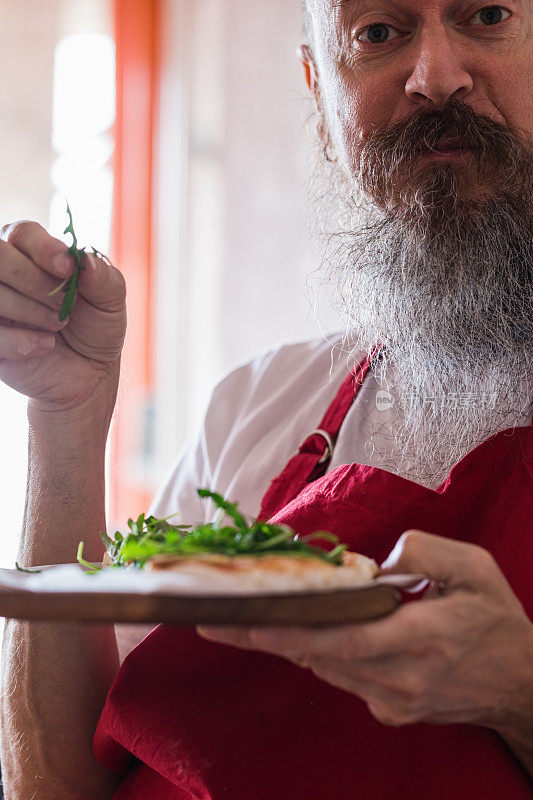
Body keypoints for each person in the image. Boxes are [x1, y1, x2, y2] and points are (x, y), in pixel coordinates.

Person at [0, 0, 532, 797]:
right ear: (320, 95)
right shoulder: (254, 407)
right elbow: (56, 783)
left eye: (485, 16)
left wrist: (519, 695)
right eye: (377, 33)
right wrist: (66, 416)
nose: (434, 77)